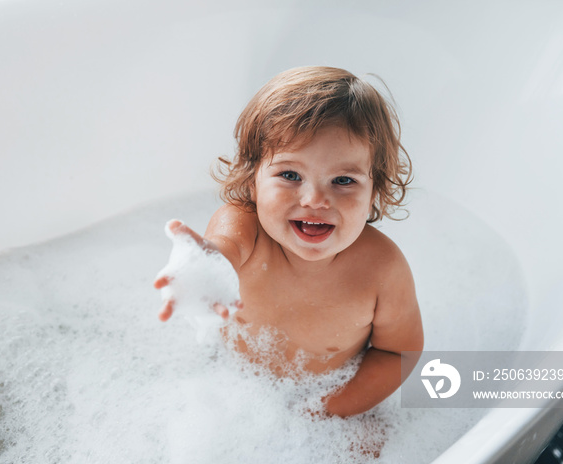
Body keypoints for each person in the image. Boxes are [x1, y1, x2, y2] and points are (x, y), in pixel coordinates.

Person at [154, 66, 423, 418]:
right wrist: (202, 266)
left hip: (332, 394)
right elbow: (224, 250)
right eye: (290, 175)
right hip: (231, 387)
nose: (314, 199)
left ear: (375, 191)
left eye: (343, 180)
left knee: (367, 445)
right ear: (252, 181)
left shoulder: (381, 268)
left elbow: (398, 353)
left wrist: (329, 411)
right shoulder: (245, 227)